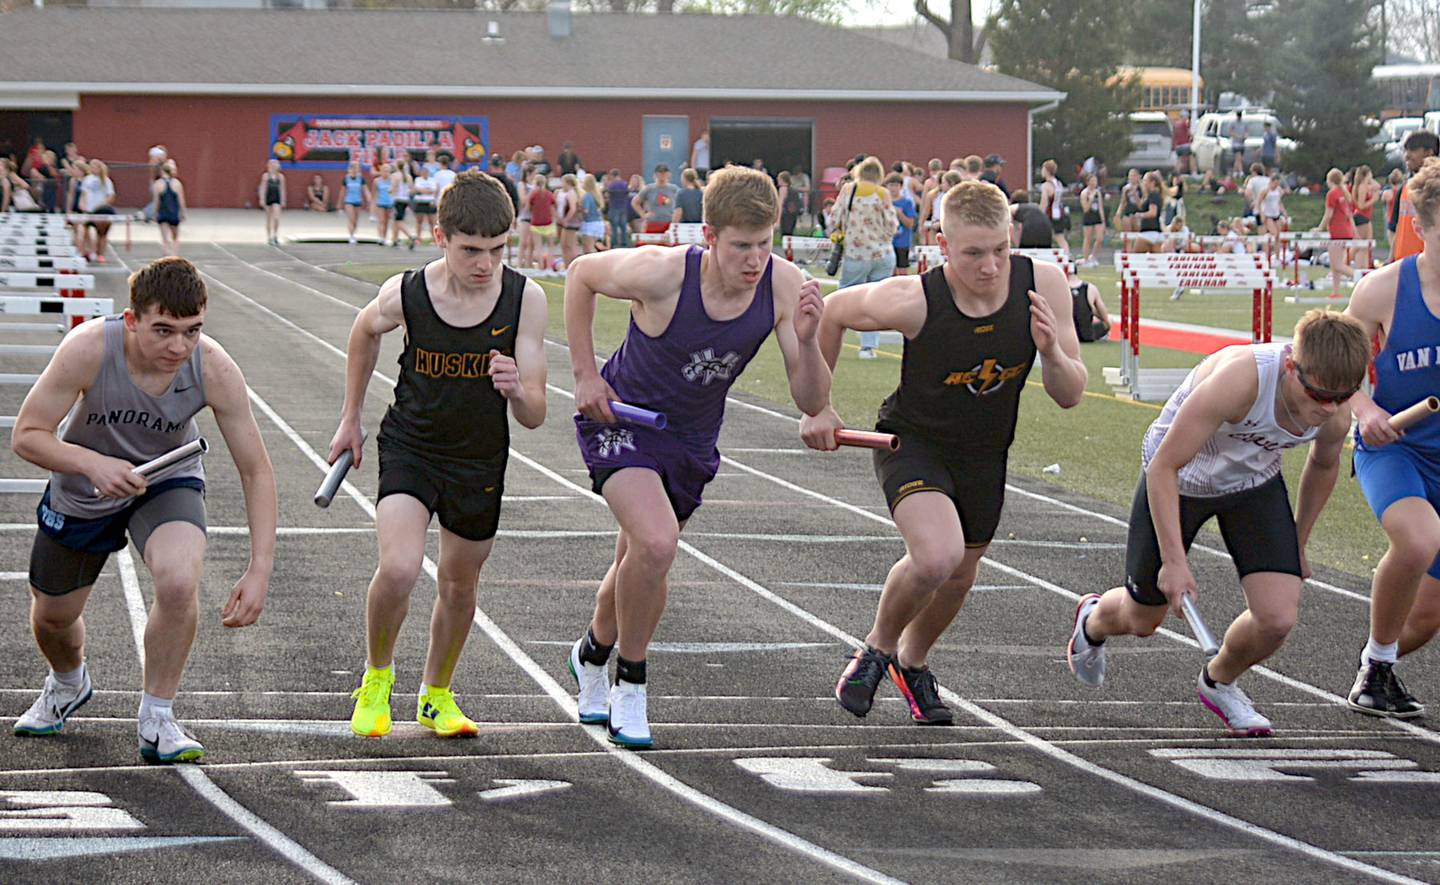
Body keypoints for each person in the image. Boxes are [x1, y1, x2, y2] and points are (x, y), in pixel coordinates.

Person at [801, 181, 1086, 725]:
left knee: (958, 577)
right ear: (941, 243)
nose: (990, 266)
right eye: (974, 253)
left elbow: (1070, 394)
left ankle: (912, 661)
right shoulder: (915, 299)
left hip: (986, 453)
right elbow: (832, 312)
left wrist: (1049, 351)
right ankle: (877, 649)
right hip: (914, 443)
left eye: (1000, 250)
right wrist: (819, 406)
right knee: (936, 556)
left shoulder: (1042, 285)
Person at [564, 166, 830, 748]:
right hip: (623, 420)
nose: (754, 259)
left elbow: (811, 400)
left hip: (690, 440)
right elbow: (581, 274)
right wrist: (585, 375)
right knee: (657, 543)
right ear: (708, 236)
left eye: (764, 244)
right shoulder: (661, 272)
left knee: (638, 560)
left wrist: (809, 341)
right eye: (741, 246)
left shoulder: (783, 287)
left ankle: (590, 654)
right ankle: (630, 685)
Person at [11, 257, 278, 761]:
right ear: (131, 321)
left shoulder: (214, 367)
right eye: (163, 331)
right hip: (84, 488)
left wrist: (260, 567)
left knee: (179, 581)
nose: (179, 347)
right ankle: (68, 684)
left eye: (192, 331)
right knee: (53, 617)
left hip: (167, 477)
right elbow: (26, 435)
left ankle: (158, 717)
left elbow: (256, 470)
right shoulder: (89, 348)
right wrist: (93, 464)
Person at [1067, 310, 1369, 736]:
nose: (1329, 408)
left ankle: (1219, 681)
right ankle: (1094, 618)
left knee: (1278, 617)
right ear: (1290, 367)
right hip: (1182, 477)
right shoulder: (1240, 381)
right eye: (1319, 394)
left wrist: (1297, 543)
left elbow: (1323, 466)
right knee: (1143, 620)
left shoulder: (1336, 412)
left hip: (1252, 481)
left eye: (1343, 396)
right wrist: (1174, 563)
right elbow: (1163, 468)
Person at [327, 171, 548, 739]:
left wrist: (518, 387)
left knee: (458, 583)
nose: (485, 263)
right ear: (440, 236)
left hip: (478, 458)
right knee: (399, 568)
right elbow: (363, 330)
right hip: (412, 445)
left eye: (498, 249)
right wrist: (350, 417)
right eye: (471, 250)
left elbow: (535, 413)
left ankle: (436, 694)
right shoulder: (409, 292)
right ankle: (377, 679)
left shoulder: (525, 299)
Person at [1342, 156, 1440, 719]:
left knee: (1426, 619)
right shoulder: (1381, 290)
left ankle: (1377, 665)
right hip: (1394, 449)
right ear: (1420, 228)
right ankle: (1376, 671)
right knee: (1420, 539)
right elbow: (1338, 372)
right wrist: (1364, 407)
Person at [833, 157, 898, 359]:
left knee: (844, 296)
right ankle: (868, 347)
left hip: (856, 252)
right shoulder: (882, 193)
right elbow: (892, 224)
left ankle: (833, 338)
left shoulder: (848, 190)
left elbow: (836, 217)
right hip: (882, 253)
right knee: (876, 300)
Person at [1314, 168, 1356, 296]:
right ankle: (1336, 292)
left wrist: (1319, 228)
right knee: (1335, 264)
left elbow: (1329, 214)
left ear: (1329, 180)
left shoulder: (1332, 194)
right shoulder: (1344, 193)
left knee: (1337, 265)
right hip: (1346, 231)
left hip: (1338, 232)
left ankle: (1362, 278)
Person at [77, 159, 116, 263]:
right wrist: (82, 204)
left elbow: (111, 196)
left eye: (95, 166)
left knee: (102, 234)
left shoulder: (106, 180)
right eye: (91, 166)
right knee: (86, 230)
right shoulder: (87, 179)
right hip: (89, 210)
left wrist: (102, 205)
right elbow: (83, 194)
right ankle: (89, 251)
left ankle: (100, 254)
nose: (93, 168)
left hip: (100, 211)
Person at [632, 164, 680, 236]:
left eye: (664, 173)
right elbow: (635, 202)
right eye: (660, 173)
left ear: (668, 174)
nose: (662, 175)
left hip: (669, 223)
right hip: (653, 223)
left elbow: (680, 204)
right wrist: (643, 215)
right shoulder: (649, 188)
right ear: (656, 175)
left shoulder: (674, 189)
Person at [1068, 264, 1111, 342]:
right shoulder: (1091, 288)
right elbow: (1105, 318)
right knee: (1109, 320)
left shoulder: (1058, 287)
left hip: (1065, 335)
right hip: (1086, 336)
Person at [151, 160, 186, 257]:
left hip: (163, 213)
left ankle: (165, 256)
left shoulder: (157, 184)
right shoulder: (177, 183)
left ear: (162, 171)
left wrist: (155, 213)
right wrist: (182, 213)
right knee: (175, 237)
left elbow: (156, 201)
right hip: (174, 214)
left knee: (165, 239)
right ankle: (174, 255)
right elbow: (181, 200)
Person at [887, 172, 917, 274]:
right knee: (889, 270)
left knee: (902, 270)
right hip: (887, 241)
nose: (893, 188)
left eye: (896, 185)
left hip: (902, 242)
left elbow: (910, 224)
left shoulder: (907, 203)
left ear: (901, 186)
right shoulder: (884, 202)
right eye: (890, 185)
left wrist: (900, 214)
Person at [527, 172, 557, 270]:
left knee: (538, 246)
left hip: (536, 222)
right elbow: (553, 208)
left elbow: (528, 207)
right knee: (551, 246)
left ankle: (540, 266)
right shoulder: (549, 194)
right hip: (548, 222)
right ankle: (549, 266)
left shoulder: (533, 195)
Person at [1038, 159, 1068, 249]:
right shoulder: (1059, 184)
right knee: (1060, 237)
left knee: (1043, 236)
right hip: (1059, 213)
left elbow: (1044, 202)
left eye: (1043, 169)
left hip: (1050, 214)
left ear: (1047, 171)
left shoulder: (1046, 186)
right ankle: (1067, 256)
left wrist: (1039, 214)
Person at [1079, 174, 1105, 267]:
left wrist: (1103, 221)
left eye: (1095, 181)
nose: (1094, 183)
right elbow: (1085, 208)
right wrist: (1090, 199)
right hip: (1088, 216)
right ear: (1088, 182)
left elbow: (1100, 207)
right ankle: (1085, 259)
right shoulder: (1084, 193)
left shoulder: (1098, 192)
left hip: (1097, 216)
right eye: (1092, 181)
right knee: (1088, 239)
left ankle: (1093, 256)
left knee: (1100, 238)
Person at [258, 159, 286, 247]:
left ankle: (275, 235)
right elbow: (263, 188)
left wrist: (283, 200)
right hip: (268, 198)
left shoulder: (280, 177)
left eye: (276, 165)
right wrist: (262, 199)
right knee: (269, 218)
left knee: (276, 217)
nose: (274, 166)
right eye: (272, 165)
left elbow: (282, 189)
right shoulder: (266, 176)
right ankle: (269, 237)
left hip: (276, 198)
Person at [341, 161, 368, 246]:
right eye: (354, 168)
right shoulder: (346, 179)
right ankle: (351, 236)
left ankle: (353, 233)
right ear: (350, 169)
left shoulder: (361, 179)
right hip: (349, 201)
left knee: (355, 221)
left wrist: (369, 198)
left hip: (358, 201)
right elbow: (343, 191)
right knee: (351, 219)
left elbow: (365, 190)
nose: (356, 170)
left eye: (357, 168)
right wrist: (340, 202)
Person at [411, 165, 437, 245]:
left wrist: (423, 190)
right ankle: (418, 238)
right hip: (420, 201)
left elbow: (433, 190)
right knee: (419, 221)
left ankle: (434, 239)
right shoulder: (418, 180)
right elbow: (417, 189)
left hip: (429, 201)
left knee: (432, 222)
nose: (425, 174)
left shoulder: (432, 180)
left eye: (426, 172)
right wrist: (426, 190)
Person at [372, 162, 396, 246]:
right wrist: (373, 206)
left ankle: (385, 237)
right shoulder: (377, 181)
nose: (386, 173)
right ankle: (380, 237)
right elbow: (374, 194)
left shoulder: (392, 180)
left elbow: (395, 191)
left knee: (387, 221)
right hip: (380, 202)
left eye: (387, 171)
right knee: (381, 220)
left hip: (390, 202)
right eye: (384, 171)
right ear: (381, 171)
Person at [1228, 111, 1248, 177]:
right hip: (1235, 143)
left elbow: (1246, 132)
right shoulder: (1233, 123)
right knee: (1238, 156)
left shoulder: (1244, 123)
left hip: (1242, 143)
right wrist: (1237, 136)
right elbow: (1230, 132)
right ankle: (1241, 172)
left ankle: (1235, 172)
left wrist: (1245, 136)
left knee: (1238, 159)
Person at [1173, 111, 1193, 175]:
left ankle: (1177, 173)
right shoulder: (1185, 123)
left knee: (1179, 160)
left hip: (1177, 146)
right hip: (1185, 144)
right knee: (1192, 156)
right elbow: (1189, 133)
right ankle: (1192, 173)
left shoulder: (1175, 124)